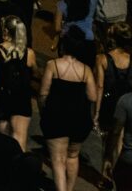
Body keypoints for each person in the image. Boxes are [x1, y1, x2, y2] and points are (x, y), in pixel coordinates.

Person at [39, 28, 97, 191]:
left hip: (57, 116)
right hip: (79, 118)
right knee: (73, 156)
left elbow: (43, 93)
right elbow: (92, 96)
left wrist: (44, 111)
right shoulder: (86, 70)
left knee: (57, 159)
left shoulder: (53, 66)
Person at [0, 15, 35, 150]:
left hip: (2, 95)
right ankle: (18, 165)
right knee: (20, 136)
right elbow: (35, 74)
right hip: (22, 97)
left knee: (2, 136)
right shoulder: (29, 53)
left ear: (5, 32)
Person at [96, 23, 132, 171]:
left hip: (109, 102)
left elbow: (100, 86)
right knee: (120, 138)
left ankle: (104, 171)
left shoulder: (102, 59)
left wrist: (96, 111)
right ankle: (115, 171)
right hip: (126, 103)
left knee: (106, 138)